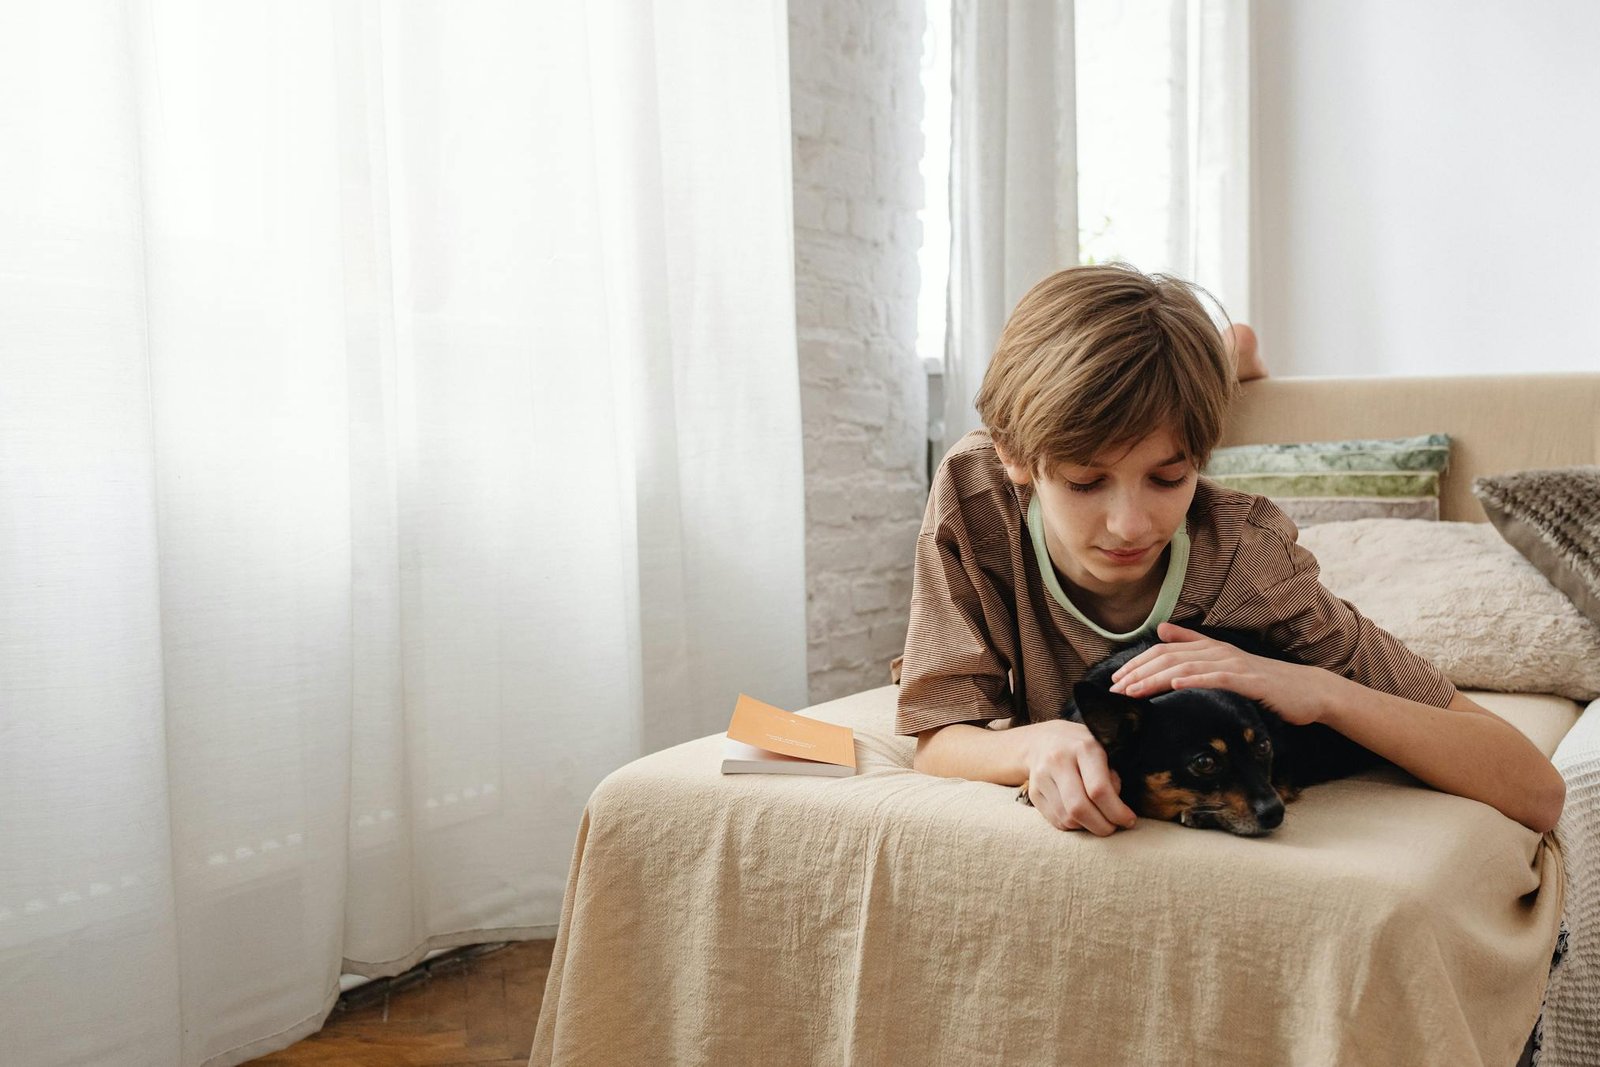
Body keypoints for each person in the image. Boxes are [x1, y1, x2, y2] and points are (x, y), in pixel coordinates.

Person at [893, 263, 1564, 836]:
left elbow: (1537, 789)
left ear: (1202, 462)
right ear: (1015, 455)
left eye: (1169, 475)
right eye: (1085, 480)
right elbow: (938, 737)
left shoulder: (1250, 558)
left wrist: (1318, 688)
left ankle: (1231, 356)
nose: (1129, 525)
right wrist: (1037, 741)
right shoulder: (975, 493)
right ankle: (1232, 355)